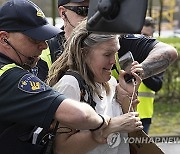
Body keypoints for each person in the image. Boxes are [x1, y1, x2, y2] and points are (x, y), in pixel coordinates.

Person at [0, 1, 113, 153]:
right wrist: (104, 122)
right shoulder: (8, 75)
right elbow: (80, 115)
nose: (44, 45)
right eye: (34, 39)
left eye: (44, 38)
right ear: (4, 38)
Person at [47, 19, 143, 154]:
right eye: (107, 54)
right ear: (84, 52)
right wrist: (110, 126)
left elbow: (127, 129)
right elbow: (61, 149)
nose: (113, 61)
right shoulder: (70, 85)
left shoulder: (111, 82)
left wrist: (127, 97)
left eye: (116, 53)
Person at [136, 16, 165, 134]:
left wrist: (143, 71)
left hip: (144, 116)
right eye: (141, 34)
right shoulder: (124, 52)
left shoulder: (157, 58)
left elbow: (157, 85)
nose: (143, 38)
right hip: (122, 113)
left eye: (147, 36)